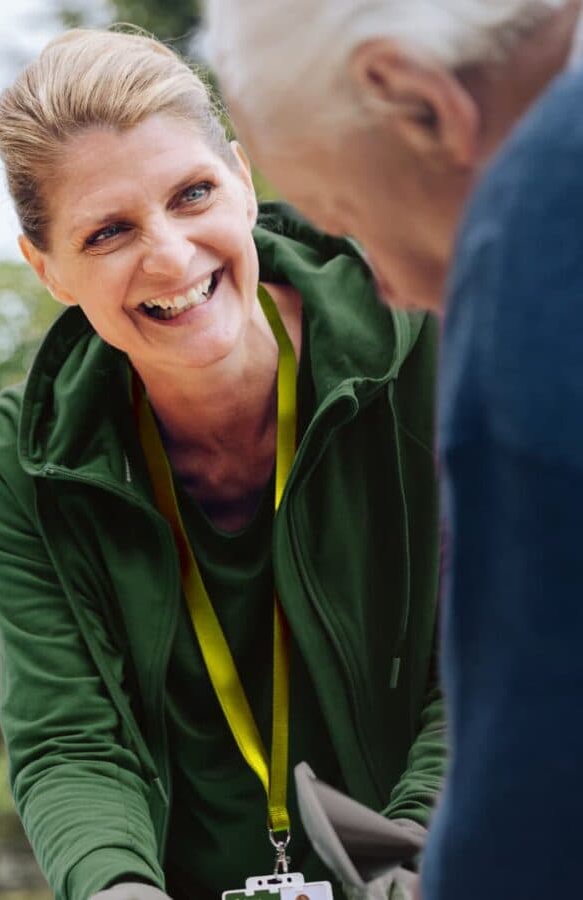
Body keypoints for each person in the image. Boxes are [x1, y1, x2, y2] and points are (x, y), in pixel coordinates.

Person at [0, 28, 443, 900]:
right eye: (108, 232)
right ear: (48, 269)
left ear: (243, 179)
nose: (171, 256)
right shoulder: (19, 459)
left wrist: (407, 861)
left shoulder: (431, 350)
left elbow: (496, 657)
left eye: (192, 193)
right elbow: (71, 739)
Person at [205, 1, 583, 897]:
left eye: (350, 220)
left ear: (415, 101)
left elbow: (531, 805)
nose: (385, 285)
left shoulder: (538, 220)